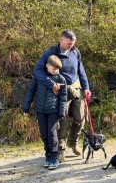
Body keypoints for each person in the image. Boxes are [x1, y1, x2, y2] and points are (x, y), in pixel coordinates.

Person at [34, 30, 91, 163]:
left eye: (73, 43)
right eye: (69, 44)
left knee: (80, 119)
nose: (71, 46)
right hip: (61, 91)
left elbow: (80, 70)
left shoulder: (75, 52)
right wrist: (51, 84)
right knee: (62, 121)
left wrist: (86, 88)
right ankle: (60, 149)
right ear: (61, 40)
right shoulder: (50, 53)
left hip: (76, 88)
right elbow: (38, 71)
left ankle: (73, 142)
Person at [22, 55, 67, 170]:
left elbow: (63, 97)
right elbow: (31, 91)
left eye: (57, 69)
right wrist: (25, 107)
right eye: (53, 69)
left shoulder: (61, 79)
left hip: (53, 111)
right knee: (44, 134)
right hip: (40, 111)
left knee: (52, 135)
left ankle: (54, 158)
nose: (55, 71)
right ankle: (48, 156)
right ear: (47, 66)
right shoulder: (39, 78)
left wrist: (61, 112)